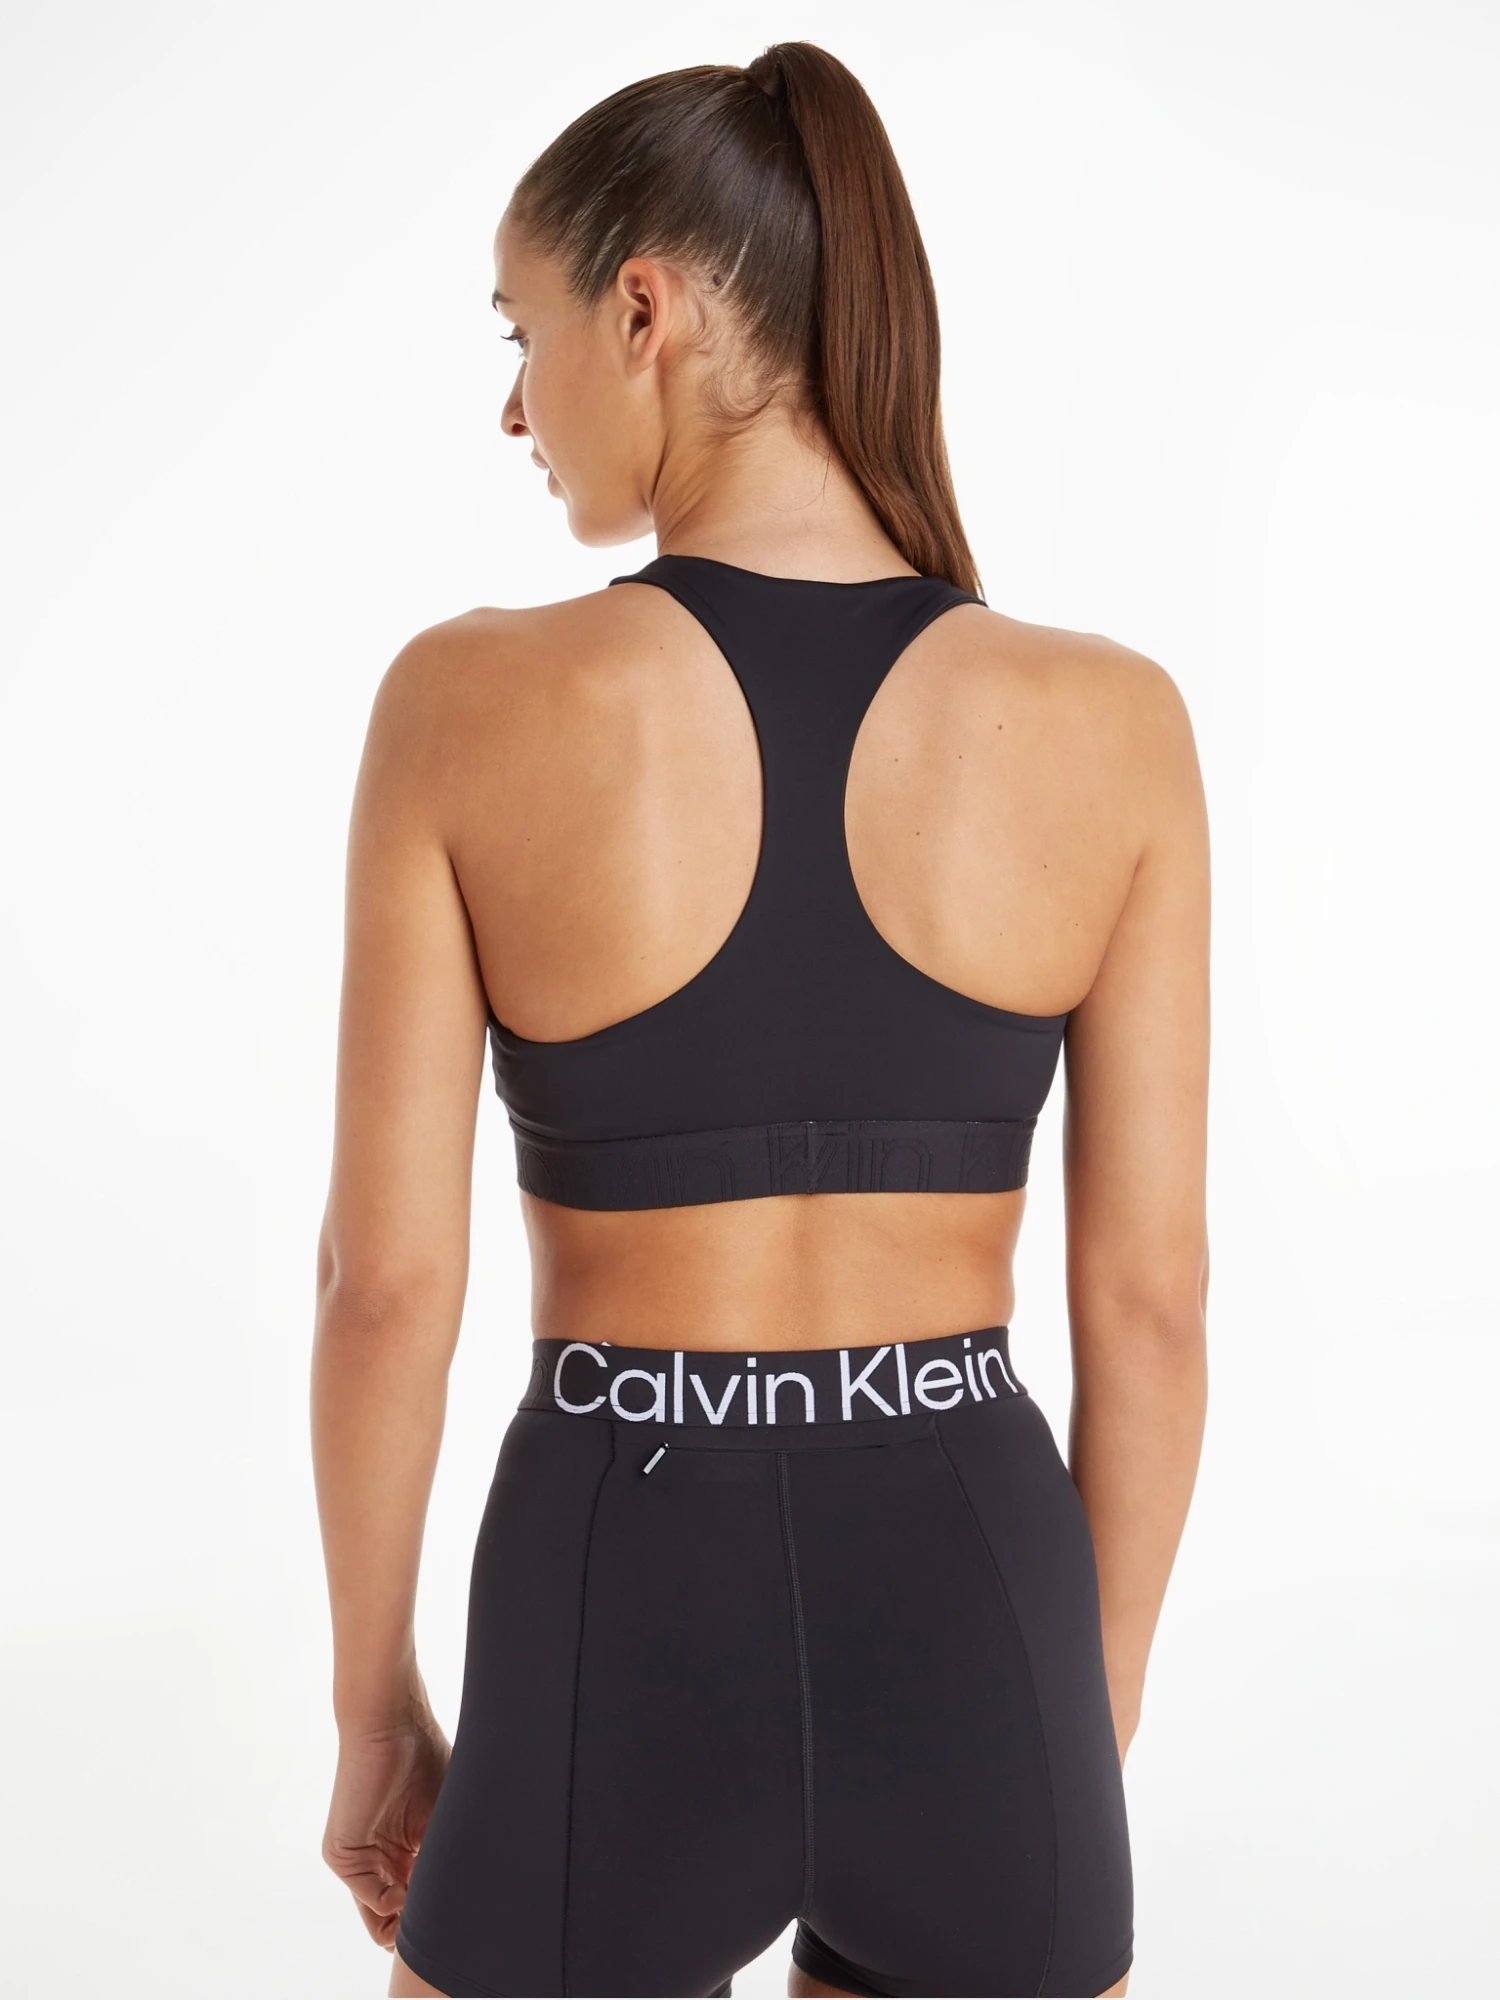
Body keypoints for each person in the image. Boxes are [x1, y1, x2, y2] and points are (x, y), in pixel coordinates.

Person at [311, 40, 1209, 2000]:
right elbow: (1148, 1306)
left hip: (617, 1596)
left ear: (642, 310)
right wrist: (1073, 1721)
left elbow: (385, 1287)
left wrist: (377, 1706)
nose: (513, 404)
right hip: (976, 1595)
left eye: (522, 333)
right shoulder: (1112, 724)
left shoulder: (466, 705)